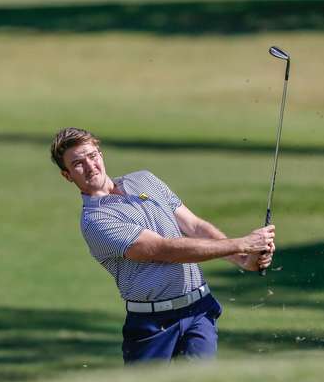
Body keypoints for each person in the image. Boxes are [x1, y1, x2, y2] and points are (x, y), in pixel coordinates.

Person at [50, 127, 275, 364]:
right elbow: (165, 250)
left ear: (101, 154)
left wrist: (243, 258)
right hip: (152, 326)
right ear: (67, 175)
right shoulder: (95, 221)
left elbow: (195, 226)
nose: (90, 166)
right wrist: (243, 243)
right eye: (77, 163)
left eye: (92, 156)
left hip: (199, 311)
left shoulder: (144, 179)